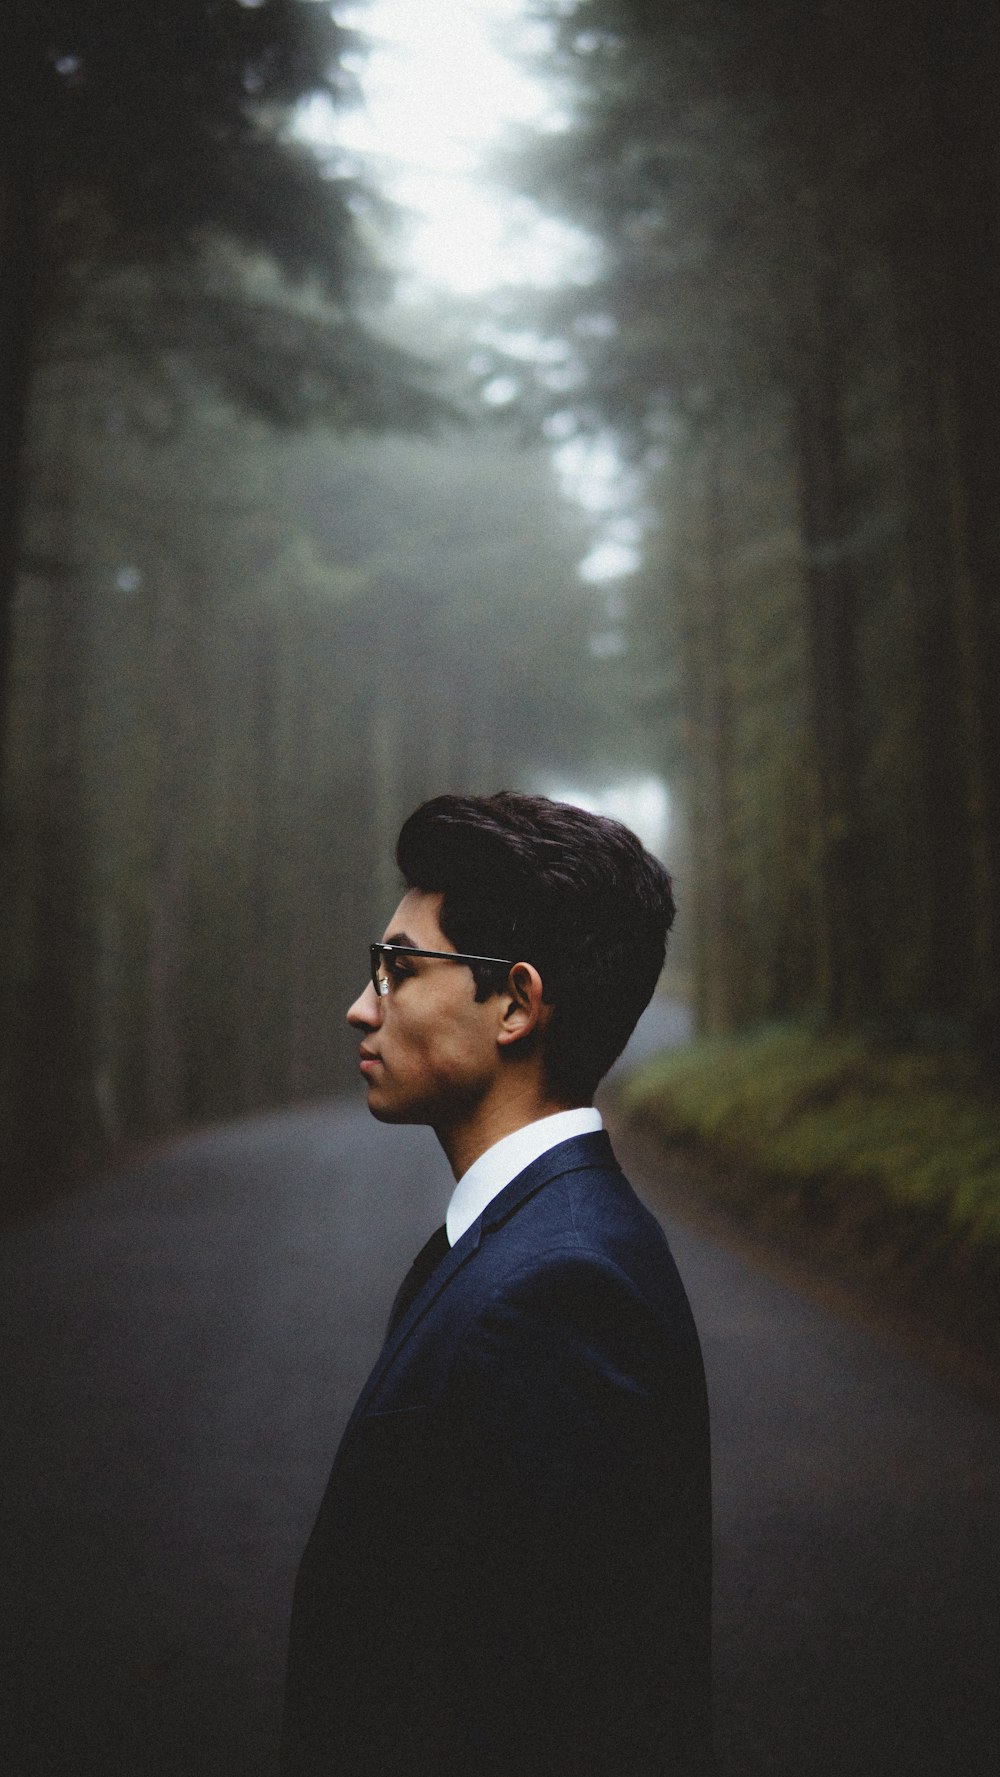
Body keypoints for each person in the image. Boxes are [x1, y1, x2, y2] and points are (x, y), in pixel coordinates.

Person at [281, 792, 712, 1776]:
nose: (361, 1003)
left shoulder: (557, 1291)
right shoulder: (531, 1242)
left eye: (397, 968)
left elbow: (559, 1713)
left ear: (515, 1002)